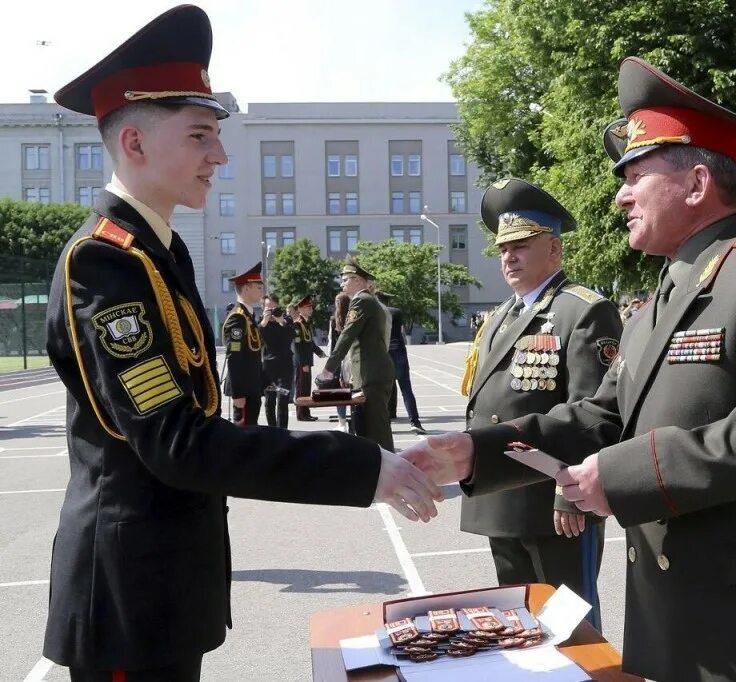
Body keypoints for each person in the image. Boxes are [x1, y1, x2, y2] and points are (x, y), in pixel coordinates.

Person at [406, 57, 736, 682]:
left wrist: (621, 476)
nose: (619, 194)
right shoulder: (656, 304)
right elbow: (600, 417)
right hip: (675, 625)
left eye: (635, 175)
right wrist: (474, 454)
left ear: (697, 184)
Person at [43, 8, 441, 680]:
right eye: (200, 136)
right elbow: (176, 442)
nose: (220, 156)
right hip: (128, 602)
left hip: (165, 587)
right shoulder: (103, 265)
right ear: (134, 143)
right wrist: (360, 465)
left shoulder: (157, 253)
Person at [459, 177, 623, 630]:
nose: (509, 257)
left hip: (553, 504)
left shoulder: (583, 311)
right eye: (503, 249)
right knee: (519, 621)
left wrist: (570, 495)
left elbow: (593, 413)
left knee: (570, 625)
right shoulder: (497, 319)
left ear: (554, 249)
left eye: (522, 245)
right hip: (501, 495)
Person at [321, 256, 396, 450]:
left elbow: (346, 336)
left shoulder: (361, 301)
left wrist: (329, 369)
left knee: (377, 431)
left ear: (359, 281)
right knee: (368, 430)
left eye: (346, 279)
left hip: (372, 375)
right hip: (372, 373)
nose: (342, 283)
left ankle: (391, 474)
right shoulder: (369, 301)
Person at [377, 290, 427, 434]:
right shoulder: (396, 312)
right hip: (399, 354)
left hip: (384, 356)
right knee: (406, 390)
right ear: (388, 301)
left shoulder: (375, 313)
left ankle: (384, 424)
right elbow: (400, 332)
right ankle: (415, 421)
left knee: (383, 393)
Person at [221, 263, 265, 425]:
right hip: (244, 390)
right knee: (244, 435)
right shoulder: (238, 318)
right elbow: (234, 356)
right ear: (246, 289)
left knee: (251, 433)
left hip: (251, 386)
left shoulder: (248, 316)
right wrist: (238, 393)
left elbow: (252, 354)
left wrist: (264, 379)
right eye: (258, 287)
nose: (262, 291)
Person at [260, 292, 294, 427]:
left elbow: (292, 335)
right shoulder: (261, 322)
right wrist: (265, 320)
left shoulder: (286, 320)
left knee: (283, 400)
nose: (272, 310)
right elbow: (256, 337)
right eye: (269, 307)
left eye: (275, 307)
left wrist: (281, 321)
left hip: (285, 367)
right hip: (268, 368)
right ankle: (272, 431)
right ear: (263, 308)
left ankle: (283, 432)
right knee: (269, 401)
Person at [292, 295, 327, 421]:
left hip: (307, 361)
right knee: (301, 388)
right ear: (300, 309)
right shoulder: (297, 325)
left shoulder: (306, 324)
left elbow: (309, 343)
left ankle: (306, 412)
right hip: (302, 363)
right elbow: (298, 347)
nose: (311, 309)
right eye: (308, 307)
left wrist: (320, 352)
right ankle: (301, 414)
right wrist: (303, 363)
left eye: (311, 307)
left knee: (306, 388)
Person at [329, 291, 353, 429]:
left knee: (341, 391)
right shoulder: (353, 317)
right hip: (352, 356)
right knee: (355, 390)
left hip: (341, 358)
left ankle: (342, 422)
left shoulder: (333, 320)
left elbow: (332, 344)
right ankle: (356, 419)